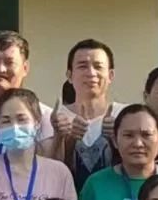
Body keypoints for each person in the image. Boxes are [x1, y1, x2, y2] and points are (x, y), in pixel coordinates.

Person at [50, 38, 125, 175]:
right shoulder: (57, 120)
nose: (91, 73)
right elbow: (50, 173)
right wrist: (63, 139)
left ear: (110, 75)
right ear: (69, 75)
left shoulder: (125, 116)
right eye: (82, 66)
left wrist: (118, 137)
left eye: (98, 66)